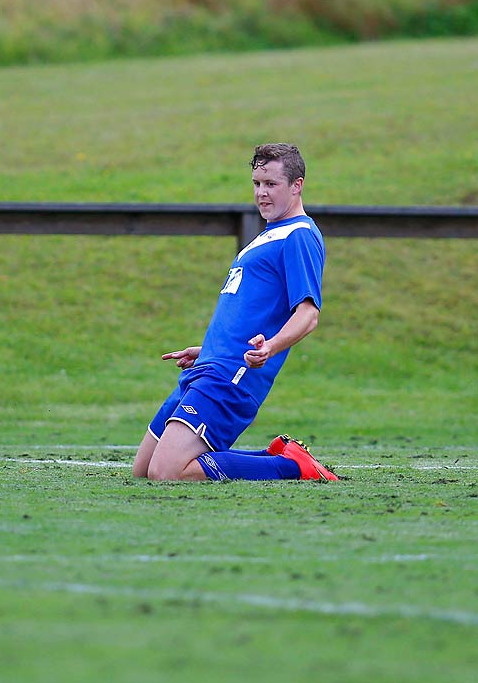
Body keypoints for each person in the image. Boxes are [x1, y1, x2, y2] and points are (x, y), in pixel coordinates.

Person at [131, 143, 337, 483]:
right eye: (257, 184)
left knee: (165, 472)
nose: (261, 193)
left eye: (271, 184)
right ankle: (280, 455)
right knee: (144, 469)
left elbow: (308, 314)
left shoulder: (300, 235)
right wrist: (207, 350)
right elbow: (247, 311)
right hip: (210, 366)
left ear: (297, 185)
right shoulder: (266, 237)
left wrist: (270, 346)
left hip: (232, 376)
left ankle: (293, 467)